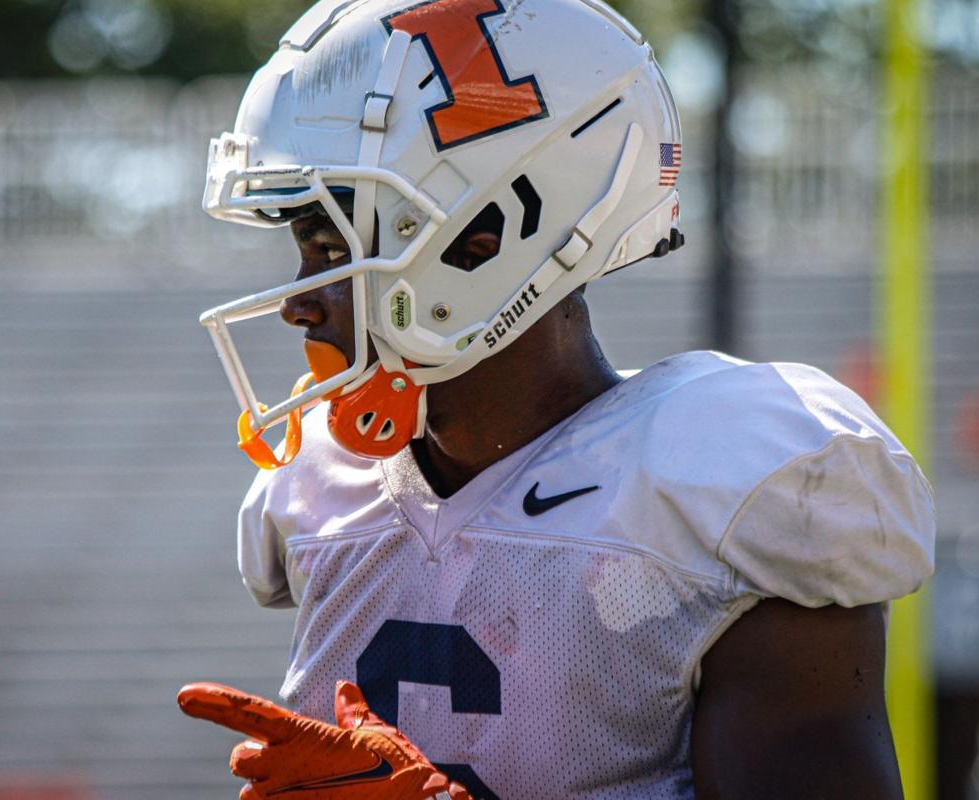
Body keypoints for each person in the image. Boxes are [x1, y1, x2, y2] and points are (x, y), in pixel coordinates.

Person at [178, 0, 937, 797]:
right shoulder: (325, 484)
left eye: (331, 245)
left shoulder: (729, 488)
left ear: (489, 230)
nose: (299, 300)